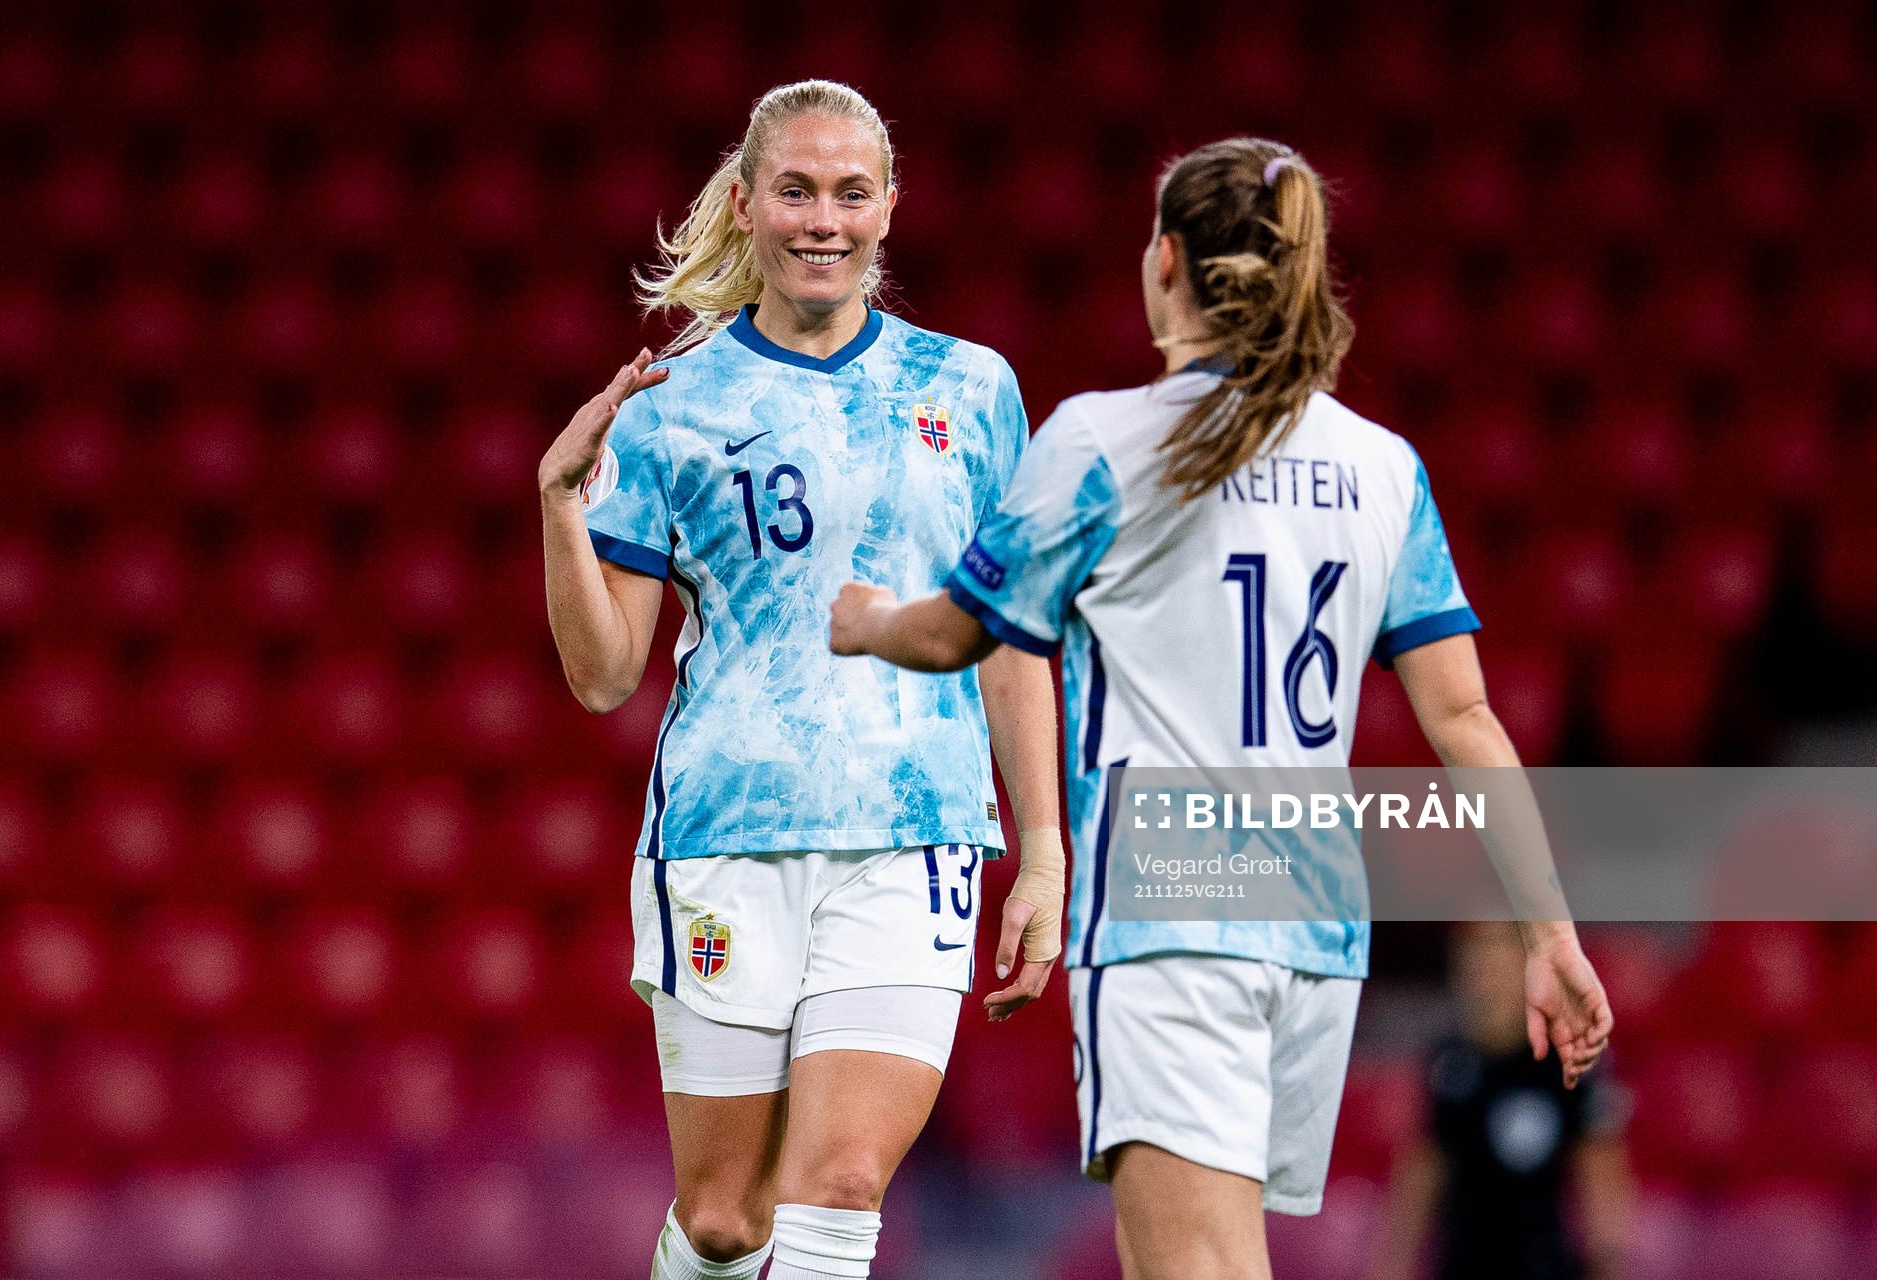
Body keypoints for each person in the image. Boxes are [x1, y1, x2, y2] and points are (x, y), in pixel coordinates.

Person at [827, 136, 1613, 1280]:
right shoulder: (1379, 466)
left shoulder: (1106, 442)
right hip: (1314, 924)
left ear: (1163, 265)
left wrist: (865, 622)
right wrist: (1551, 930)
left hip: (1174, 910)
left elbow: (957, 631)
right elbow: (1468, 723)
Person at [536, 81, 1063, 1280]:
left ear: (889, 210)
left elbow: (1016, 634)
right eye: (796, 189)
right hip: (725, 840)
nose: (822, 218)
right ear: (746, 202)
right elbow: (602, 674)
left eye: (850, 191)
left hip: (913, 832)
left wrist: (1043, 847)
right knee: (727, 1220)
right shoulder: (674, 406)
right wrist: (563, 508)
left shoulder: (971, 389)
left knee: (837, 1187)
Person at [1371, 922, 1634, 1280]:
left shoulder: (1568, 1057)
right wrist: (1393, 1264)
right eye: (1474, 946)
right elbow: (1423, 1169)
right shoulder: (1448, 1062)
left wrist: (1607, 1262)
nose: (1484, 960)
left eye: (1499, 944)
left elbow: (1600, 1173)